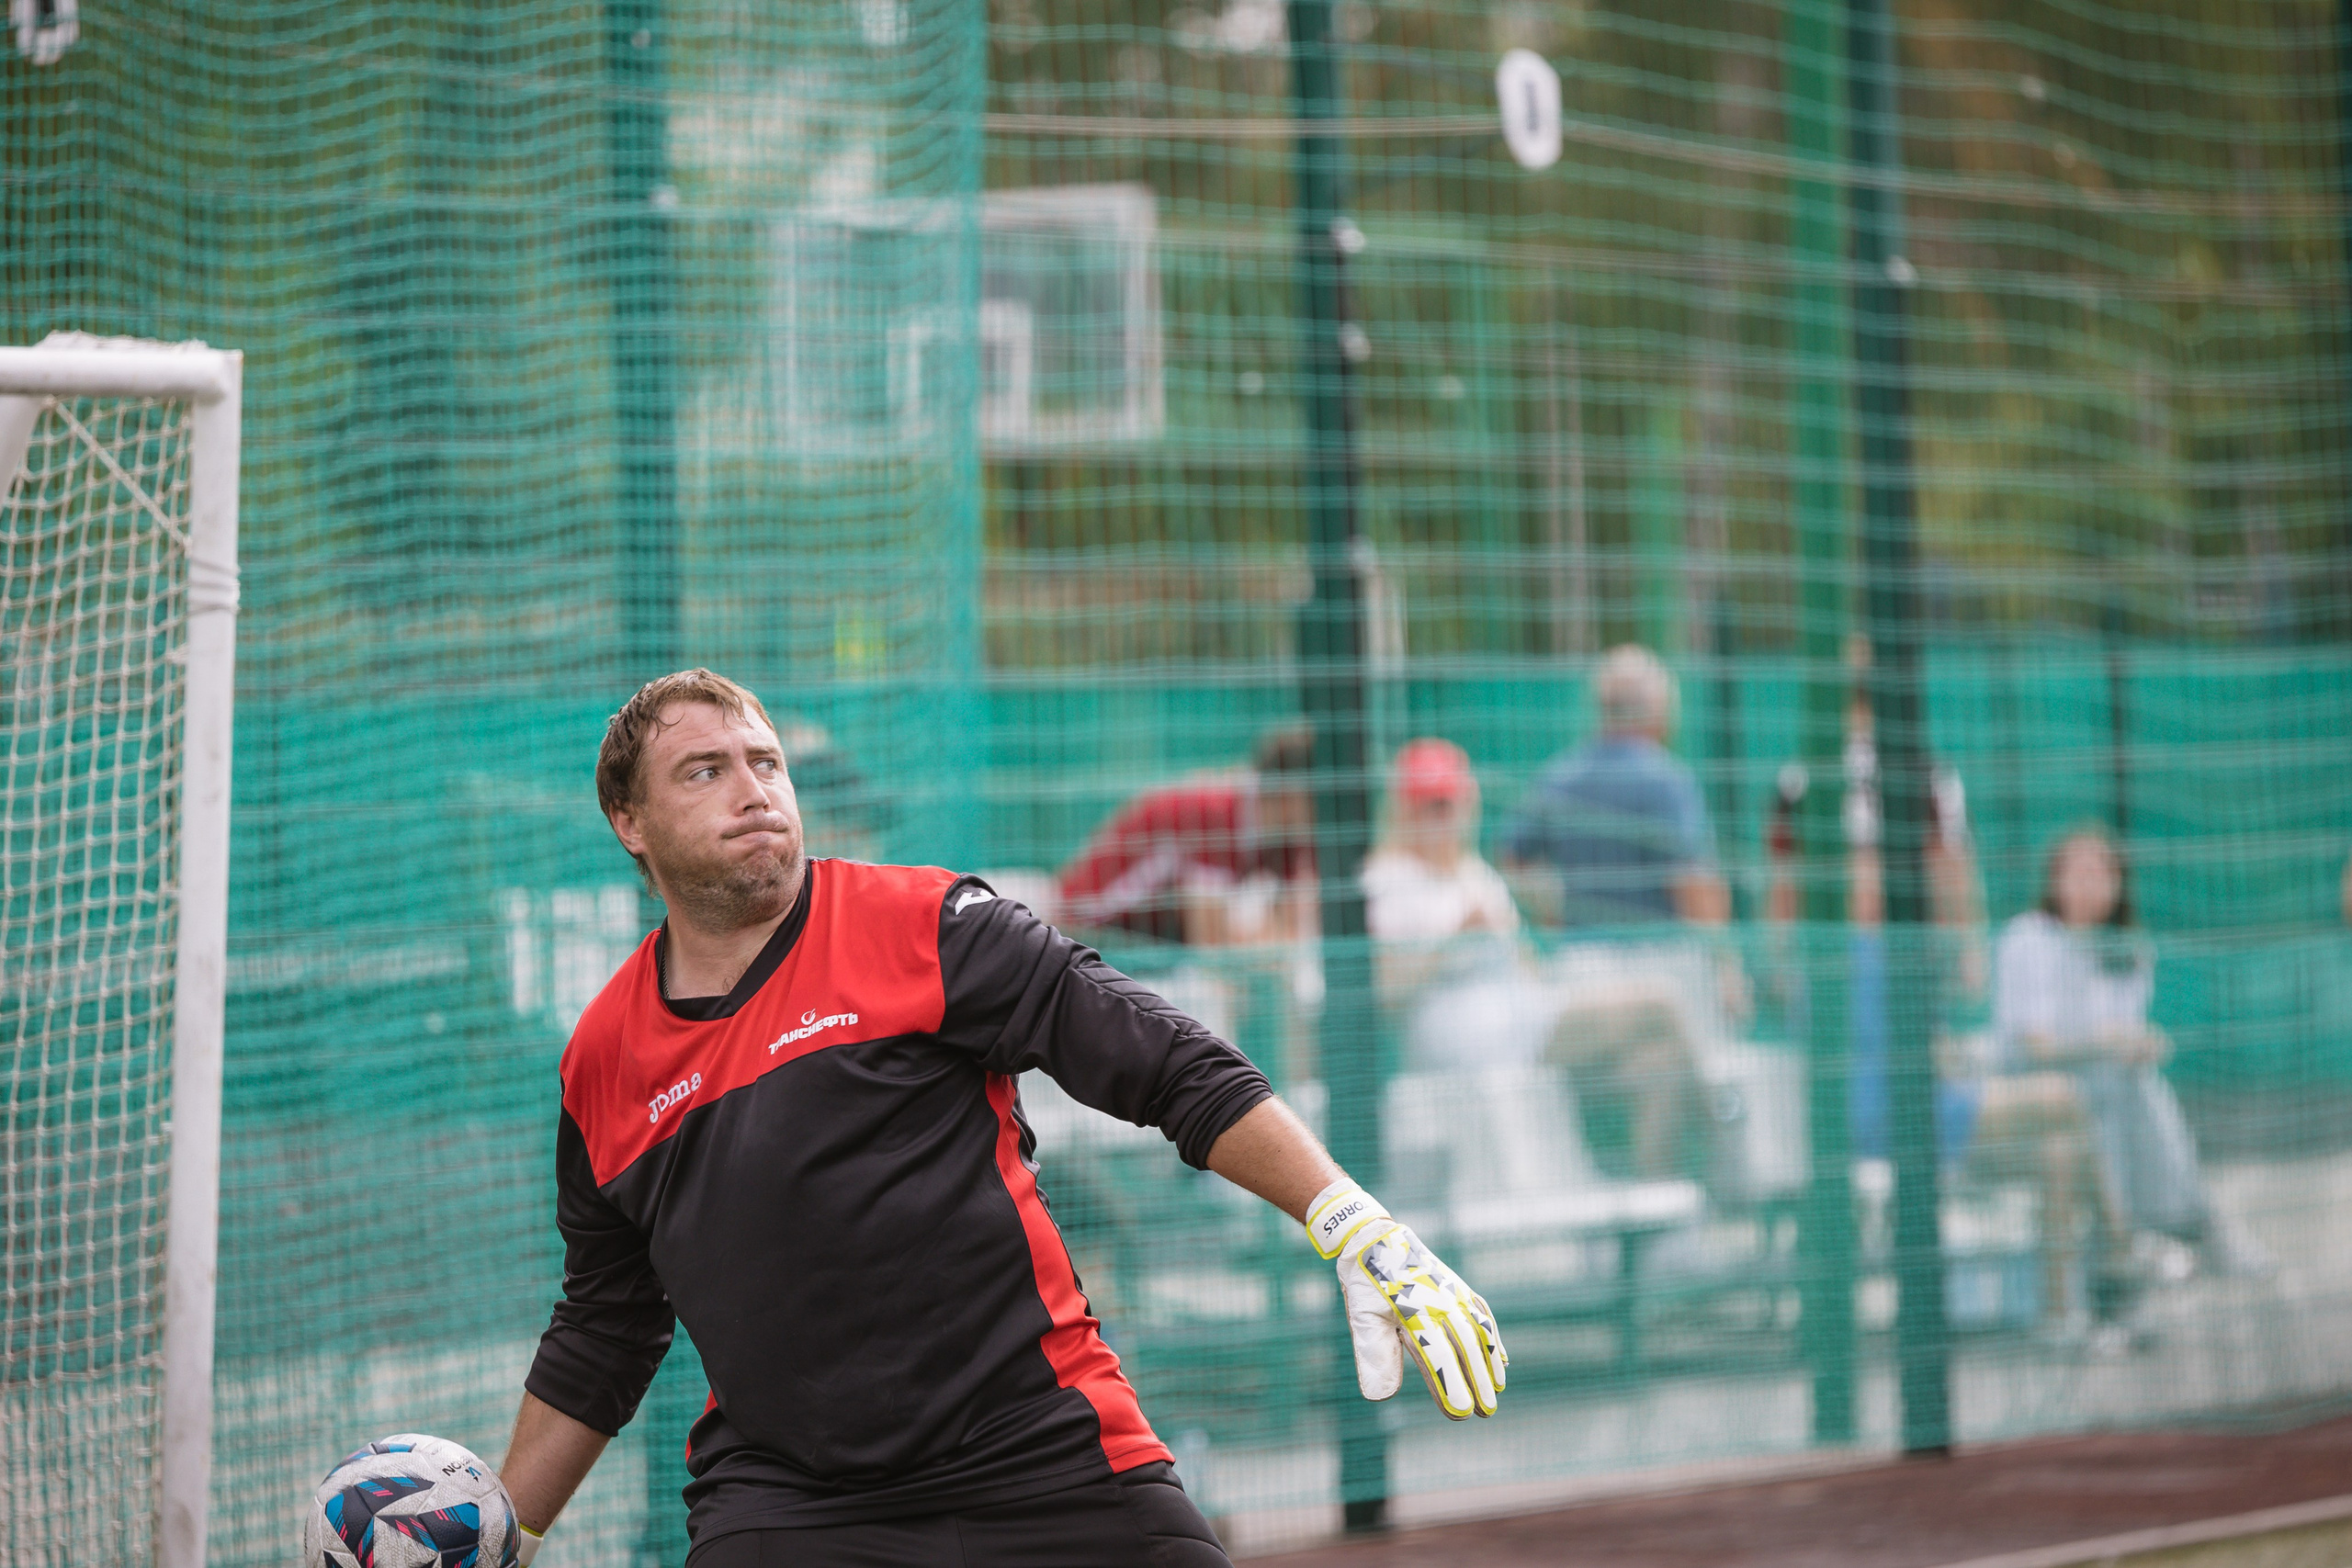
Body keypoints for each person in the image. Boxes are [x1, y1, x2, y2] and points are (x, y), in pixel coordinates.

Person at [494, 671, 1507, 1568]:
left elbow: (1169, 1063)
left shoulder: (927, 925)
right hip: (793, 1503)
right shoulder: (601, 1060)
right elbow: (605, 1327)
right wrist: (508, 1537)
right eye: (705, 772)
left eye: (766, 761)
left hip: (1042, 1448)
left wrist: (1349, 1220)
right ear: (629, 820)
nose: (755, 789)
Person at [1993, 827, 2271, 1293]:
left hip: (2106, 1089)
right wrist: (2105, 1043)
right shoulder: (2029, 938)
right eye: (2077, 873)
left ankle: (2126, 1237)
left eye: (2101, 874)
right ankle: (2187, 1225)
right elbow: (2035, 1046)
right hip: (2032, 1086)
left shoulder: (2127, 949)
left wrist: (2140, 1043)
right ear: (2054, 880)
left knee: (2128, 1082)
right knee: (2117, 1083)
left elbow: (2122, 1038)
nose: (2088, 885)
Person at [1499, 644, 1727, 931]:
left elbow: (1513, 858)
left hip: (1579, 959)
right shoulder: (1666, 781)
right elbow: (1693, 882)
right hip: (1660, 959)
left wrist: (1554, 911)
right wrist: (1723, 957)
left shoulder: (1560, 777)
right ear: (1658, 709)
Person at [1055, 725, 1317, 946]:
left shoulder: (1284, 833)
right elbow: (1210, 941)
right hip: (1087, 929)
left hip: (1153, 930)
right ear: (1290, 794)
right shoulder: (1215, 813)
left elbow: (1294, 925)